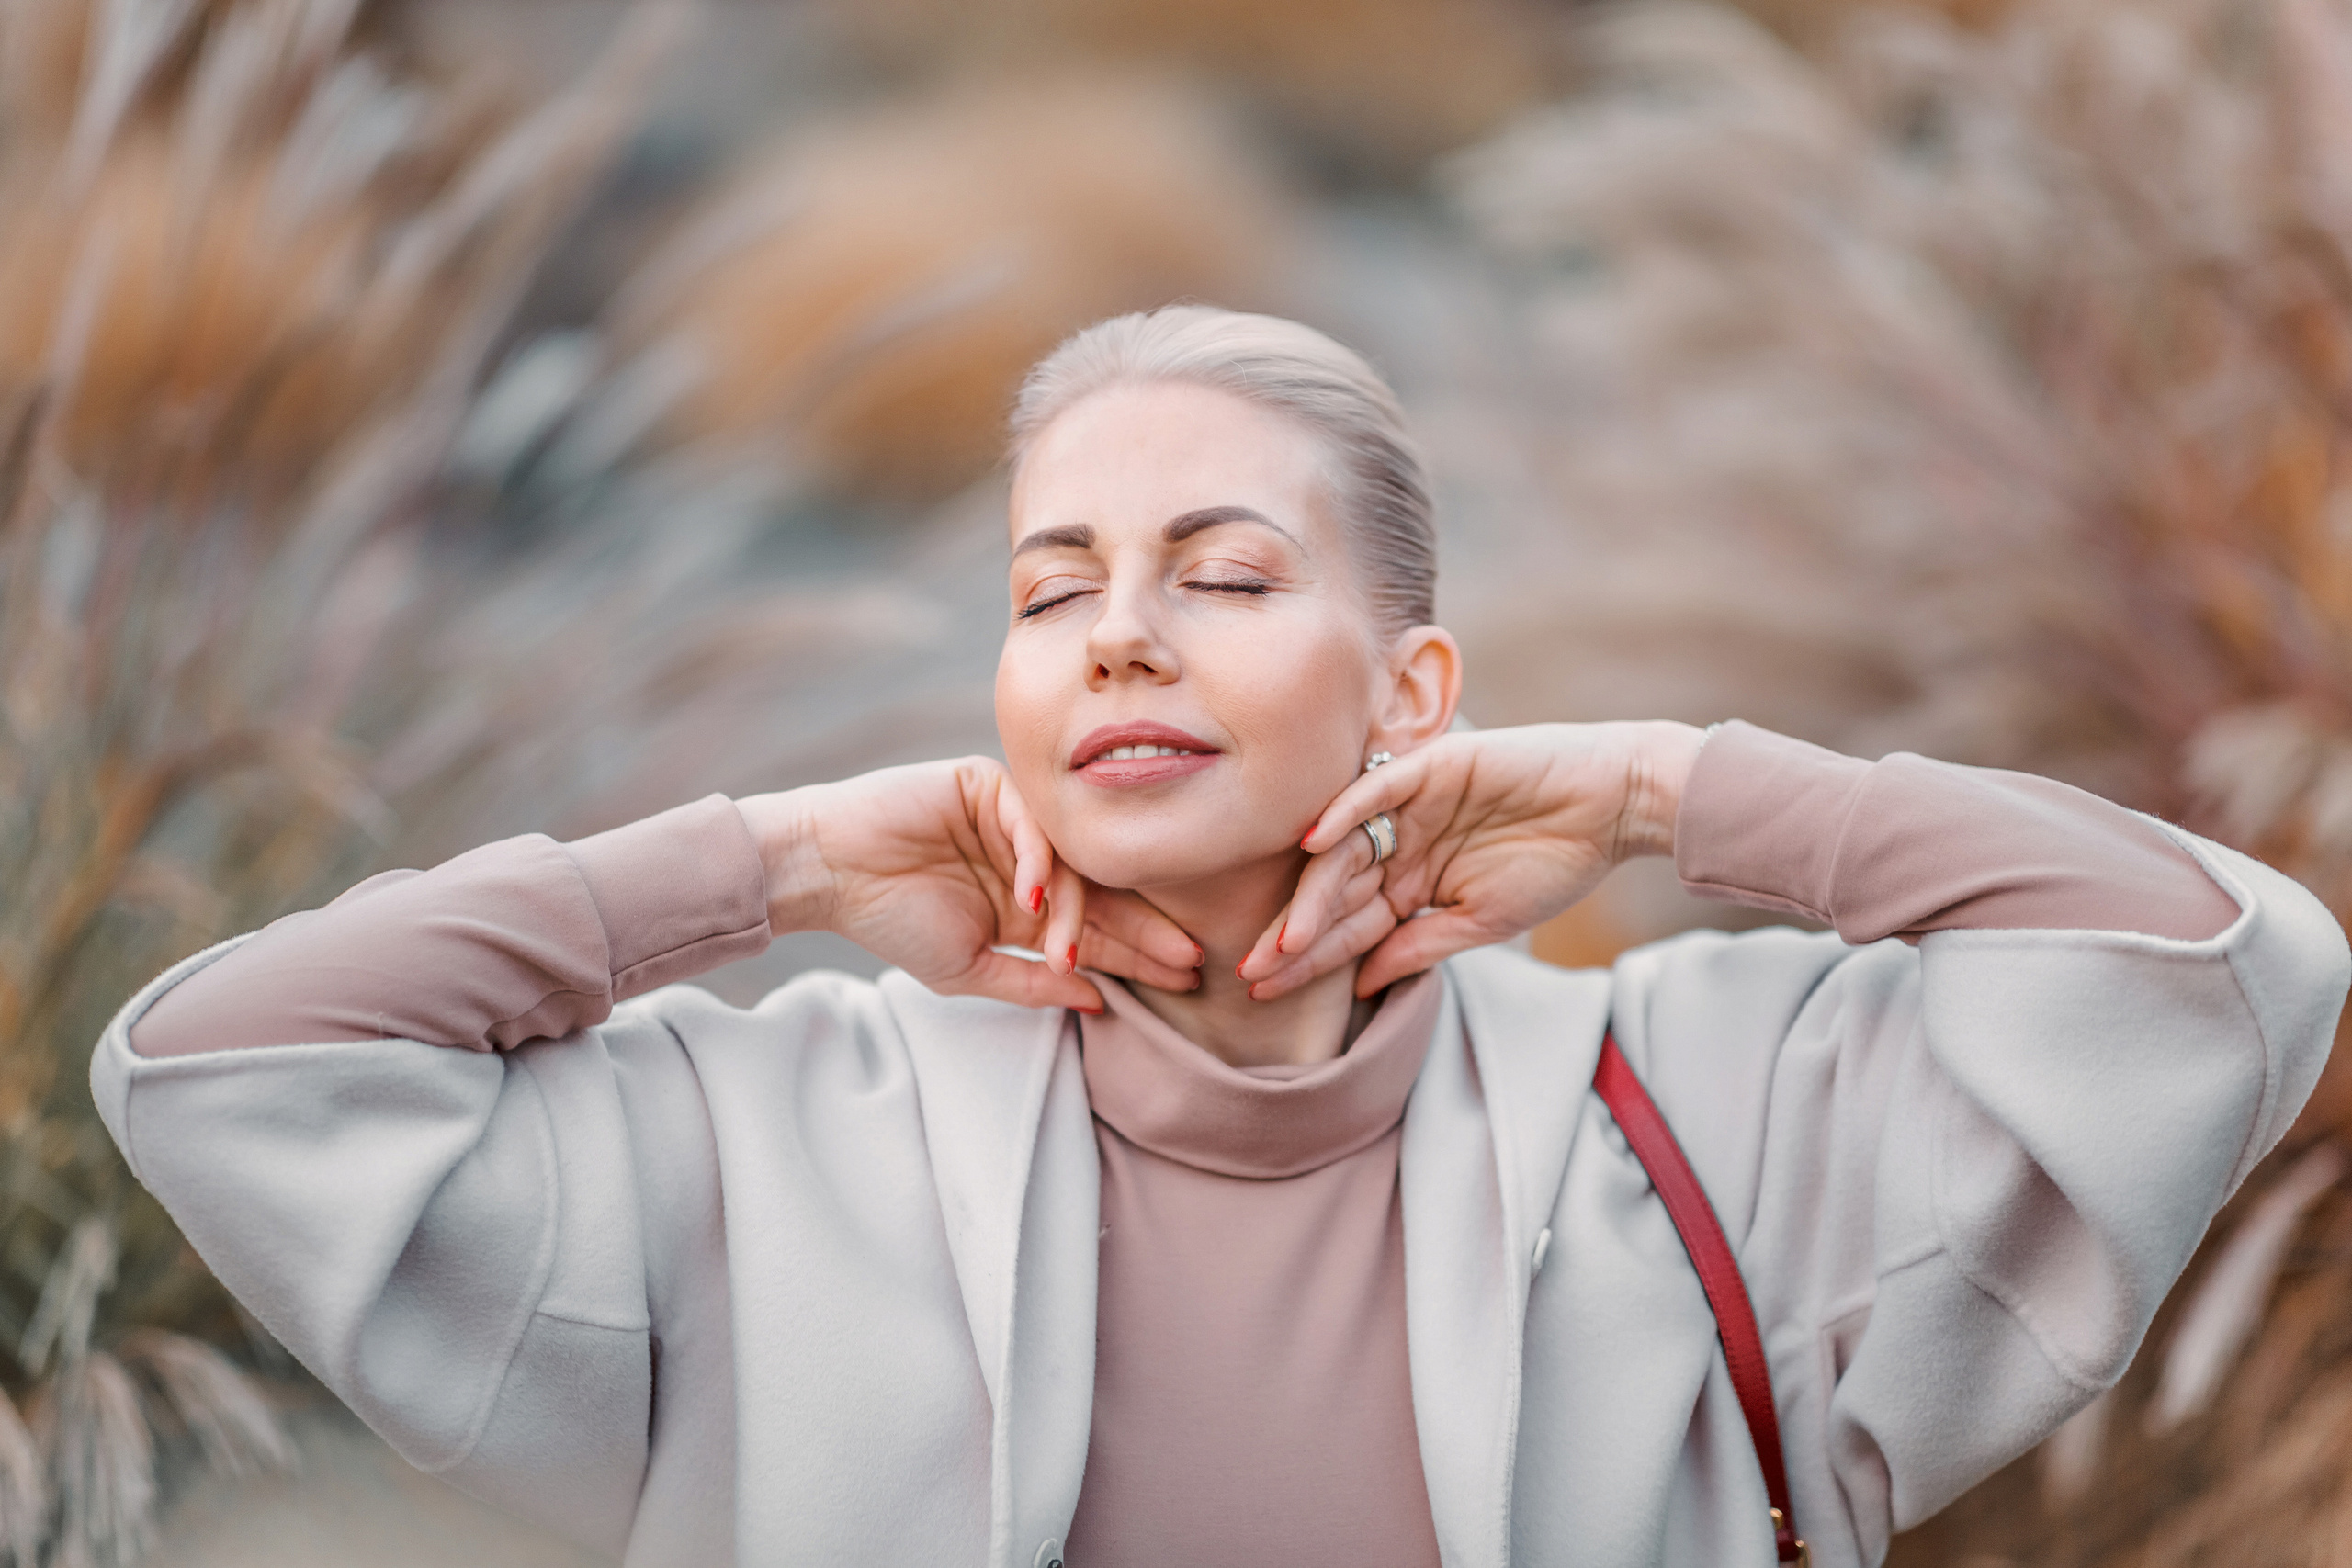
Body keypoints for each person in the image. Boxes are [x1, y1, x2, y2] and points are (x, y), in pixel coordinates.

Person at [93, 306, 2346, 1568]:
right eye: (1050, 589)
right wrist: (763, 862)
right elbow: (214, 1068)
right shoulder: (779, 1136)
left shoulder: (1715, 1100)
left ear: (1413, 690)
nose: (1121, 640)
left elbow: (2224, 965)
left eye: (1227, 574)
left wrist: (1672, 788)